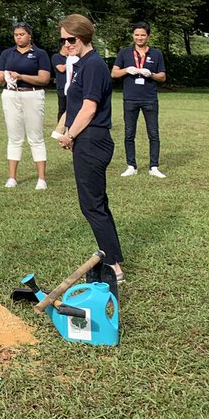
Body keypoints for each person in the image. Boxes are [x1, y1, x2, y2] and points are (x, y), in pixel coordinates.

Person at [55, 14, 125, 284]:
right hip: (86, 140)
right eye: (63, 40)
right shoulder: (82, 64)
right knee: (97, 203)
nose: (66, 44)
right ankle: (112, 256)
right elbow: (74, 106)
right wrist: (66, 131)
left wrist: (70, 135)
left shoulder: (93, 65)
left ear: (83, 36)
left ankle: (113, 266)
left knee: (92, 206)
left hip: (93, 140)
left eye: (71, 39)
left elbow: (89, 108)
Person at [0, 22, 51, 190]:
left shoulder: (40, 54)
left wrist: (21, 76)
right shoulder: (7, 54)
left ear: (29, 35)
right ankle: (12, 177)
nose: (18, 37)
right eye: (16, 35)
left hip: (32, 94)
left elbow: (44, 79)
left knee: (35, 136)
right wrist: (4, 77)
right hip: (11, 95)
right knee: (14, 137)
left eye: (21, 34)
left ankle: (41, 179)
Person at [111, 22, 168, 178]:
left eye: (143, 35)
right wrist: (127, 70)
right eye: (137, 34)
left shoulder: (156, 54)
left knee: (153, 133)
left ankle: (154, 166)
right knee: (129, 133)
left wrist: (151, 74)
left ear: (148, 36)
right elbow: (114, 73)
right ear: (133, 35)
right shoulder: (124, 53)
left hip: (150, 99)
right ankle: (131, 166)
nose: (139, 37)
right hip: (130, 98)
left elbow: (162, 76)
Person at [51, 37, 78, 128]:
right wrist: (71, 62)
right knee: (62, 108)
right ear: (63, 46)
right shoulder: (56, 57)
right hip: (62, 87)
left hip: (72, 85)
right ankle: (61, 126)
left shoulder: (72, 57)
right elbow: (61, 68)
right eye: (67, 47)